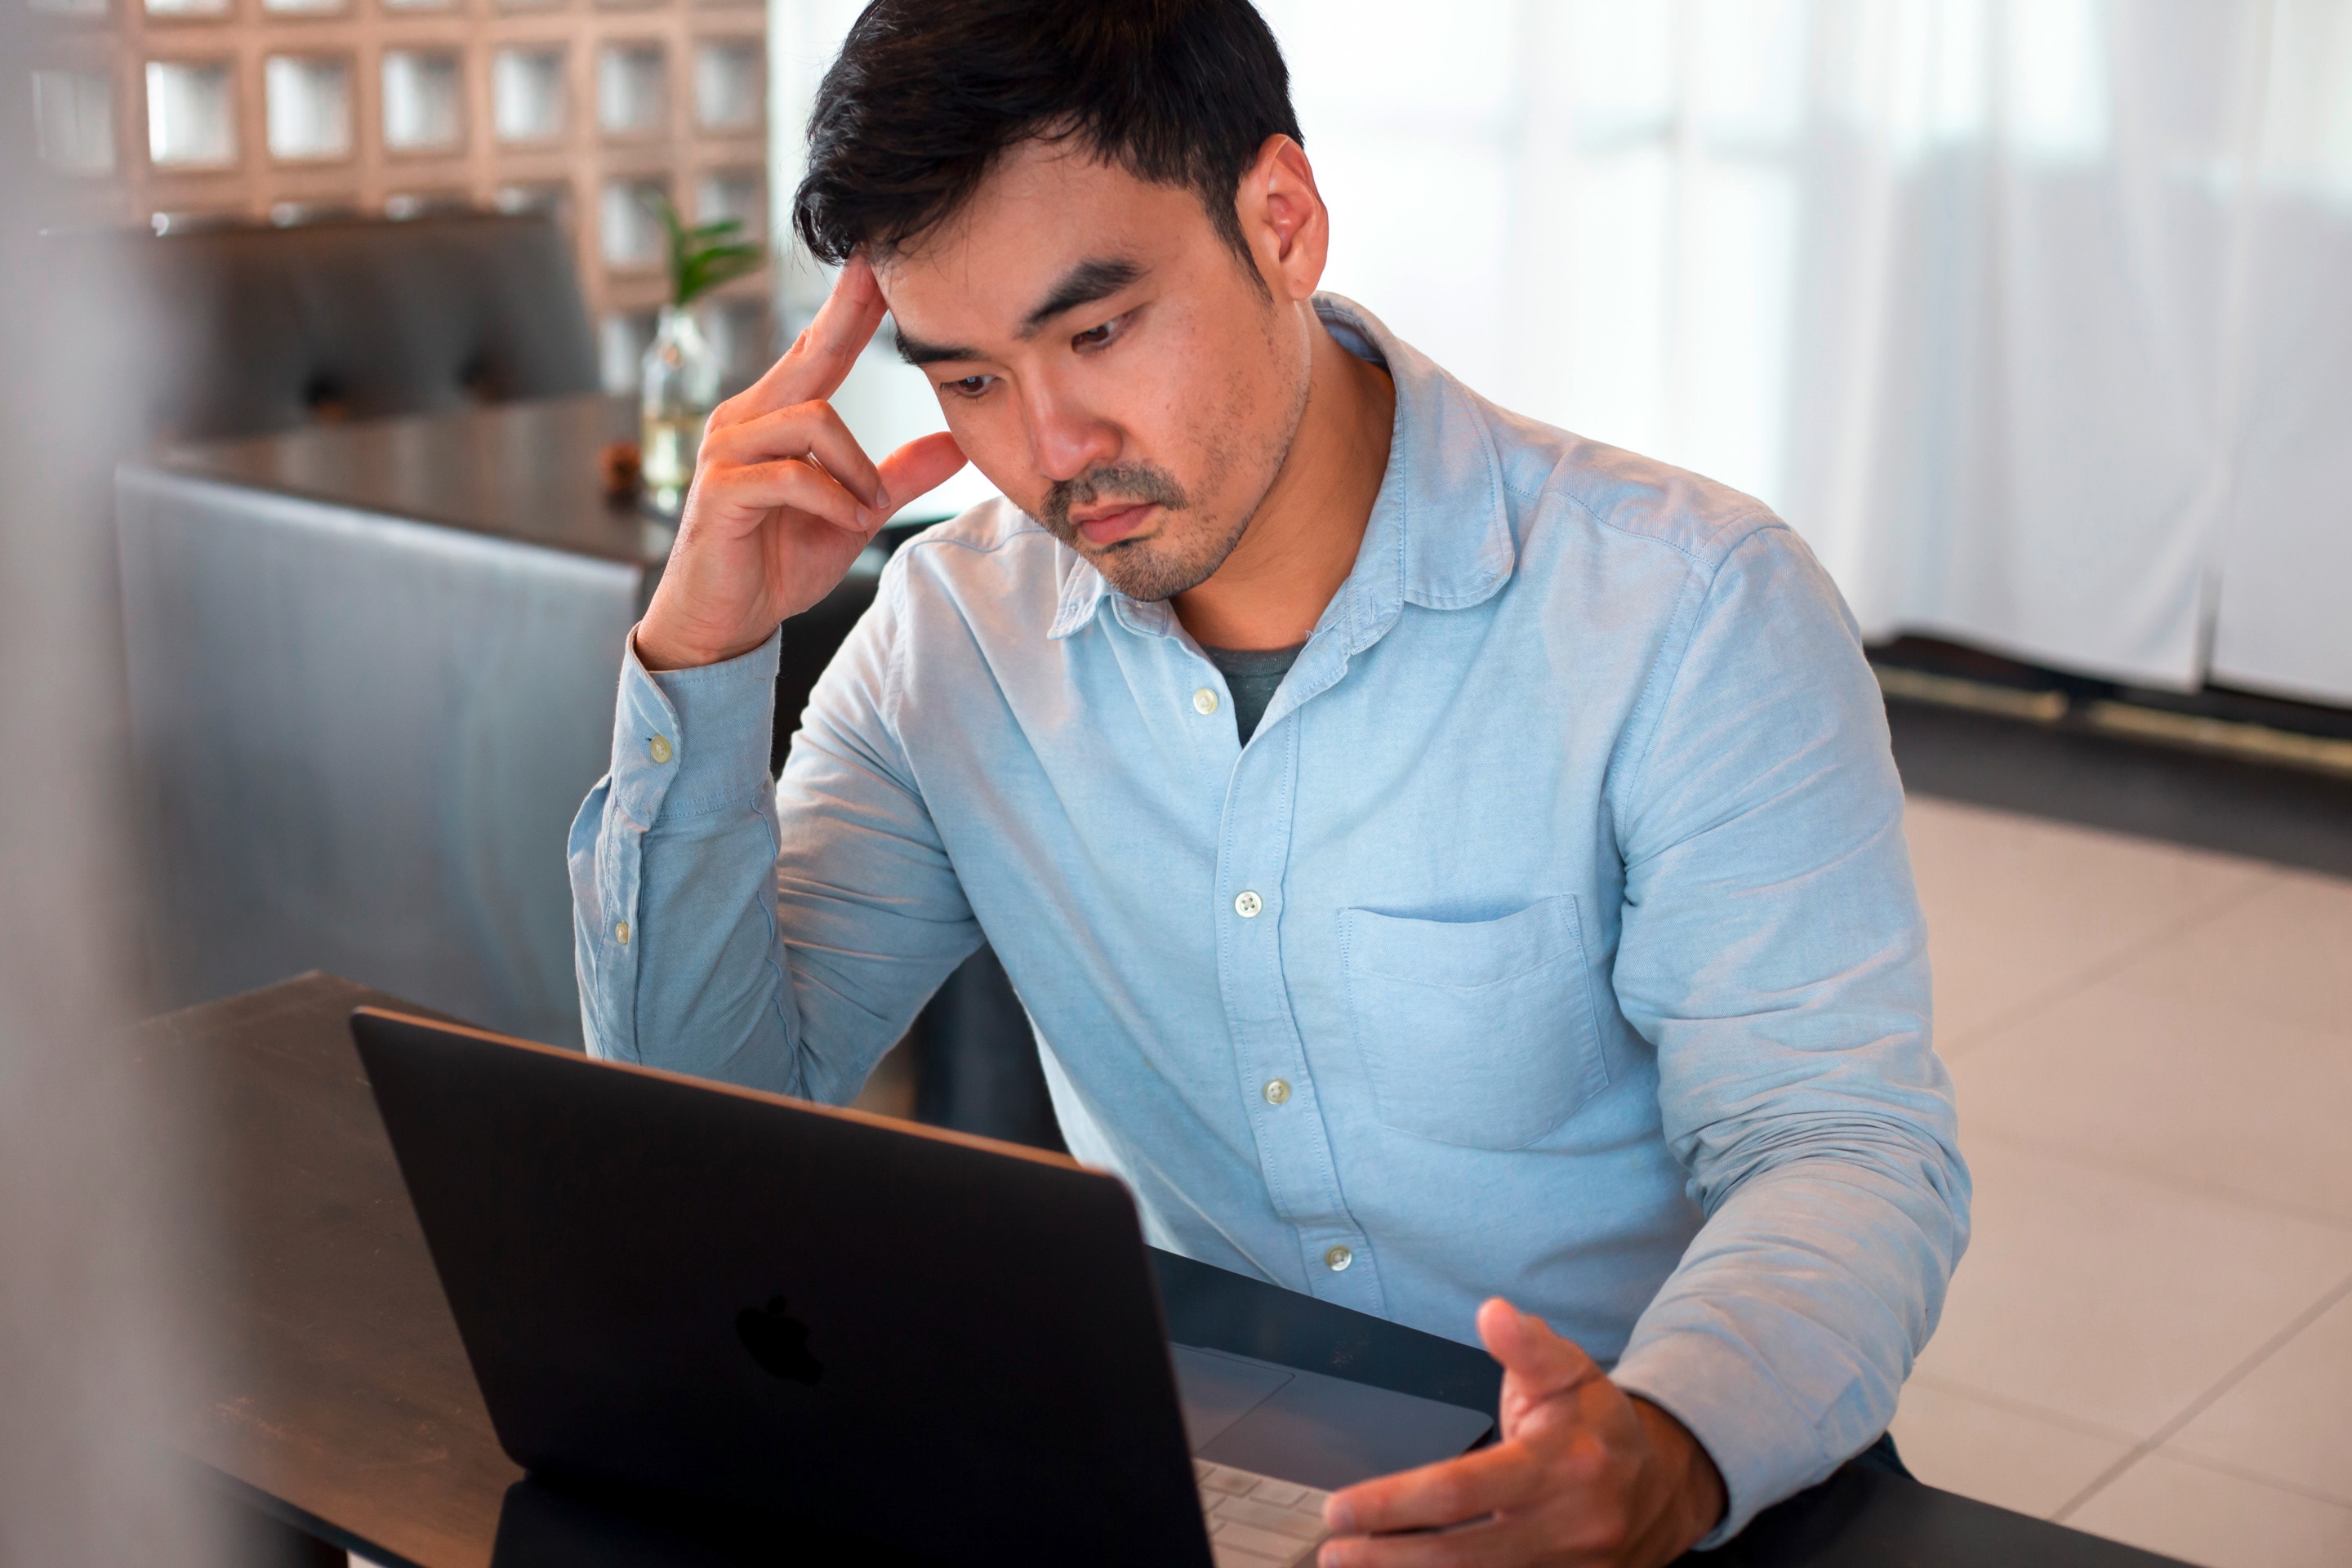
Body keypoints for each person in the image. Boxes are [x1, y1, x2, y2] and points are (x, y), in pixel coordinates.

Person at [568, 2, 1968, 1561]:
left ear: (1281, 223)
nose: (1052, 449)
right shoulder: (951, 641)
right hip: (1201, 1473)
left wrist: (1661, 1451)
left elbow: (1837, 1148)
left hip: (1648, 1478)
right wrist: (695, 666)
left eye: (1098, 333)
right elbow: (711, 1127)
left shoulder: (1690, 612)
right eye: (966, 382)